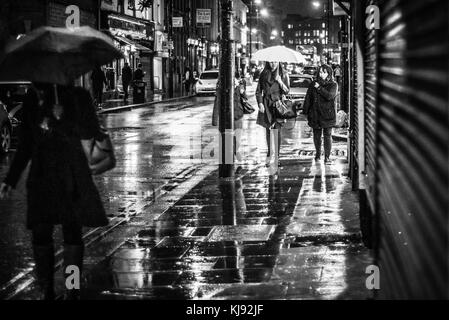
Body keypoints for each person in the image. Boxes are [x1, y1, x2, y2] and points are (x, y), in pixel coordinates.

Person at [0, 83, 109, 300]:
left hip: (71, 176)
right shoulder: (32, 98)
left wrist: (62, 121)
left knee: (72, 236)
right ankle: (46, 289)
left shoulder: (79, 96)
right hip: (42, 178)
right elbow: (26, 144)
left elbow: (91, 131)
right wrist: (11, 179)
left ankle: (72, 288)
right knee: (41, 235)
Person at [256, 61, 290, 166]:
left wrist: (280, 81)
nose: (273, 64)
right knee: (268, 130)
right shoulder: (264, 73)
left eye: (275, 62)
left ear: (278, 61)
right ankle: (269, 153)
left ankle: (277, 157)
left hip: (278, 105)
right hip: (267, 105)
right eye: (270, 62)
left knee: (277, 131)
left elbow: (287, 90)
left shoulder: (284, 73)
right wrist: (260, 103)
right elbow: (258, 91)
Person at [302, 64, 338, 164]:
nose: (321, 74)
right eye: (320, 72)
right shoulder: (313, 84)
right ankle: (318, 154)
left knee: (327, 135)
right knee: (316, 135)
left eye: (324, 72)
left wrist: (319, 88)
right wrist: (305, 112)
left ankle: (327, 157)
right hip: (315, 114)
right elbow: (308, 98)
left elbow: (330, 96)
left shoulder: (333, 85)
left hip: (327, 115)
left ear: (329, 73)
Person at [212, 72, 246, 163]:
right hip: (226, 117)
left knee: (238, 138)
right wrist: (215, 119)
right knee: (227, 138)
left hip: (238, 115)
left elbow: (244, 99)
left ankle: (236, 150)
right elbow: (217, 102)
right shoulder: (221, 87)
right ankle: (229, 157)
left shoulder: (239, 86)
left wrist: (241, 90)